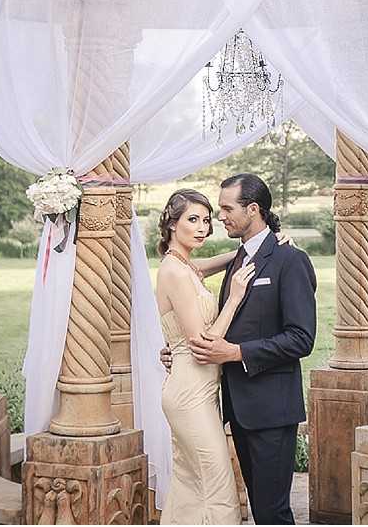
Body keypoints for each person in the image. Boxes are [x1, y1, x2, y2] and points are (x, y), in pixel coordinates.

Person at [162, 174, 317, 525]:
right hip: (235, 406)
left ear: (253, 209)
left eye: (226, 209)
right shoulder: (237, 261)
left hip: (272, 409)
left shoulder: (290, 261)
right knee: (256, 508)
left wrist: (236, 353)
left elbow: (301, 338)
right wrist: (177, 348)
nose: (219, 218)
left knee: (273, 511)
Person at [155, 188, 252, 525]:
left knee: (190, 485)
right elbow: (202, 343)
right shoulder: (174, 272)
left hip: (199, 389)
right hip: (189, 393)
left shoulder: (185, 266)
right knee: (218, 486)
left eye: (206, 220)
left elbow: (215, 263)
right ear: (172, 224)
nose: (201, 228)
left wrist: (256, 246)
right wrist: (234, 298)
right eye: (192, 220)